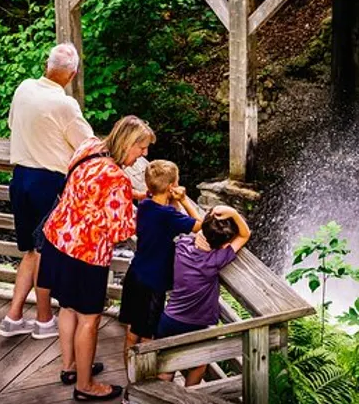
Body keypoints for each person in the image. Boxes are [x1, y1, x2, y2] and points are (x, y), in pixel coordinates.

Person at [38, 116, 153, 402]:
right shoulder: (116, 178)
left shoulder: (89, 147)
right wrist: (149, 212)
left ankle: (71, 367)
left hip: (58, 238)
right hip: (86, 254)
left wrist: (131, 195)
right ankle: (86, 386)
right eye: (142, 148)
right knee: (89, 320)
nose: (144, 155)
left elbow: (88, 188)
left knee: (67, 307)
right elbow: (121, 230)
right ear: (128, 143)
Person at [0, 43, 93, 340]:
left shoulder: (24, 88)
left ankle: (13, 317)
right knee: (44, 253)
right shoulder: (65, 104)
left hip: (20, 178)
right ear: (73, 73)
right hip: (47, 182)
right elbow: (87, 144)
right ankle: (43, 320)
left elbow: (13, 123)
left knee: (30, 251)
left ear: (46, 65)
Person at [119, 160, 202, 368]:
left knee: (132, 330)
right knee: (148, 336)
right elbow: (199, 225)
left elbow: (165, 213)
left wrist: (171, 199)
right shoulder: (168, 216)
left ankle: (128, 373)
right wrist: (183, 200)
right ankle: (142, 383)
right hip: (152, 283)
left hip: (135, 275)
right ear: (172, 186)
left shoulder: (146, 205)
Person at [157, 206, 250, 387]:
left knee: (167, 368)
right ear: (224, 245)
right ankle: (188, 398)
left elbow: (200, 228)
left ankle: (161, 397)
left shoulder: (183, 245)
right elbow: (245, 235)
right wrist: (234, 214)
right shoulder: (214, 260)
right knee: (198, 365)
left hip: (168, 320)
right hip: (196, 325)